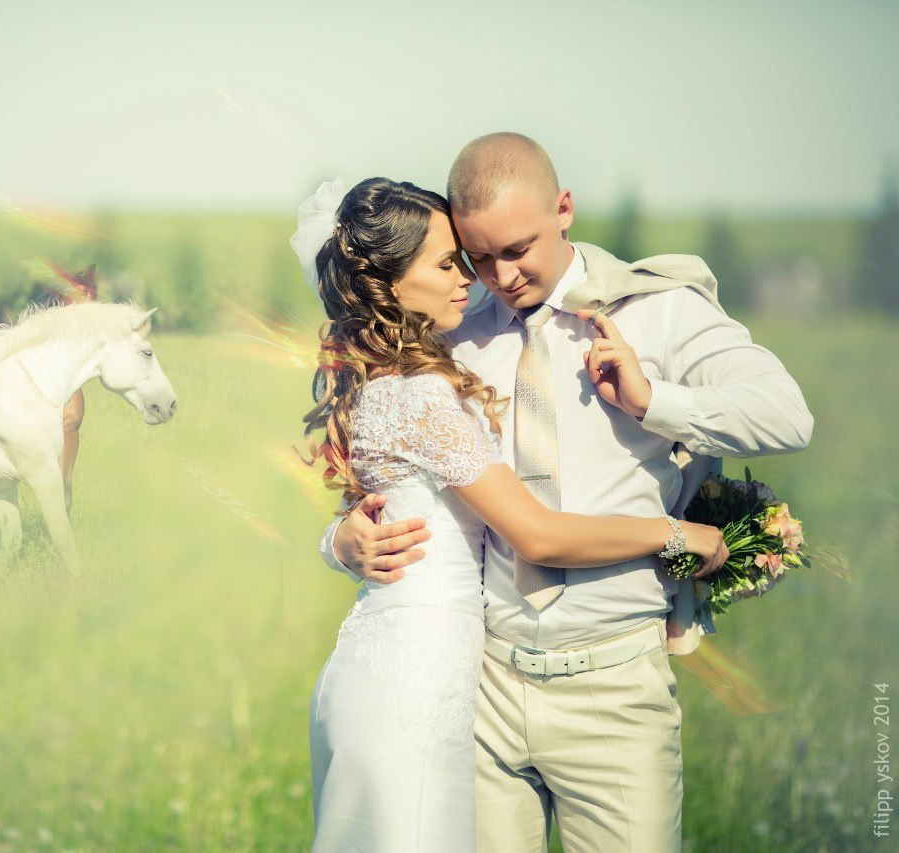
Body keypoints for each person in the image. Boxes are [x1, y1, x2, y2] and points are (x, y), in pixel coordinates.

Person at [320, 135, 814, 852]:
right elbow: (396, 474)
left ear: (564, 209)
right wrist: (341, 540)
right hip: (481, 688)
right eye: (477, 256)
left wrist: (653, 401)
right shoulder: (452, 334)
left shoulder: (658, 310)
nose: (500, 275)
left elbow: (788, 416)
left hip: (613, 689)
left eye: (517, 249)